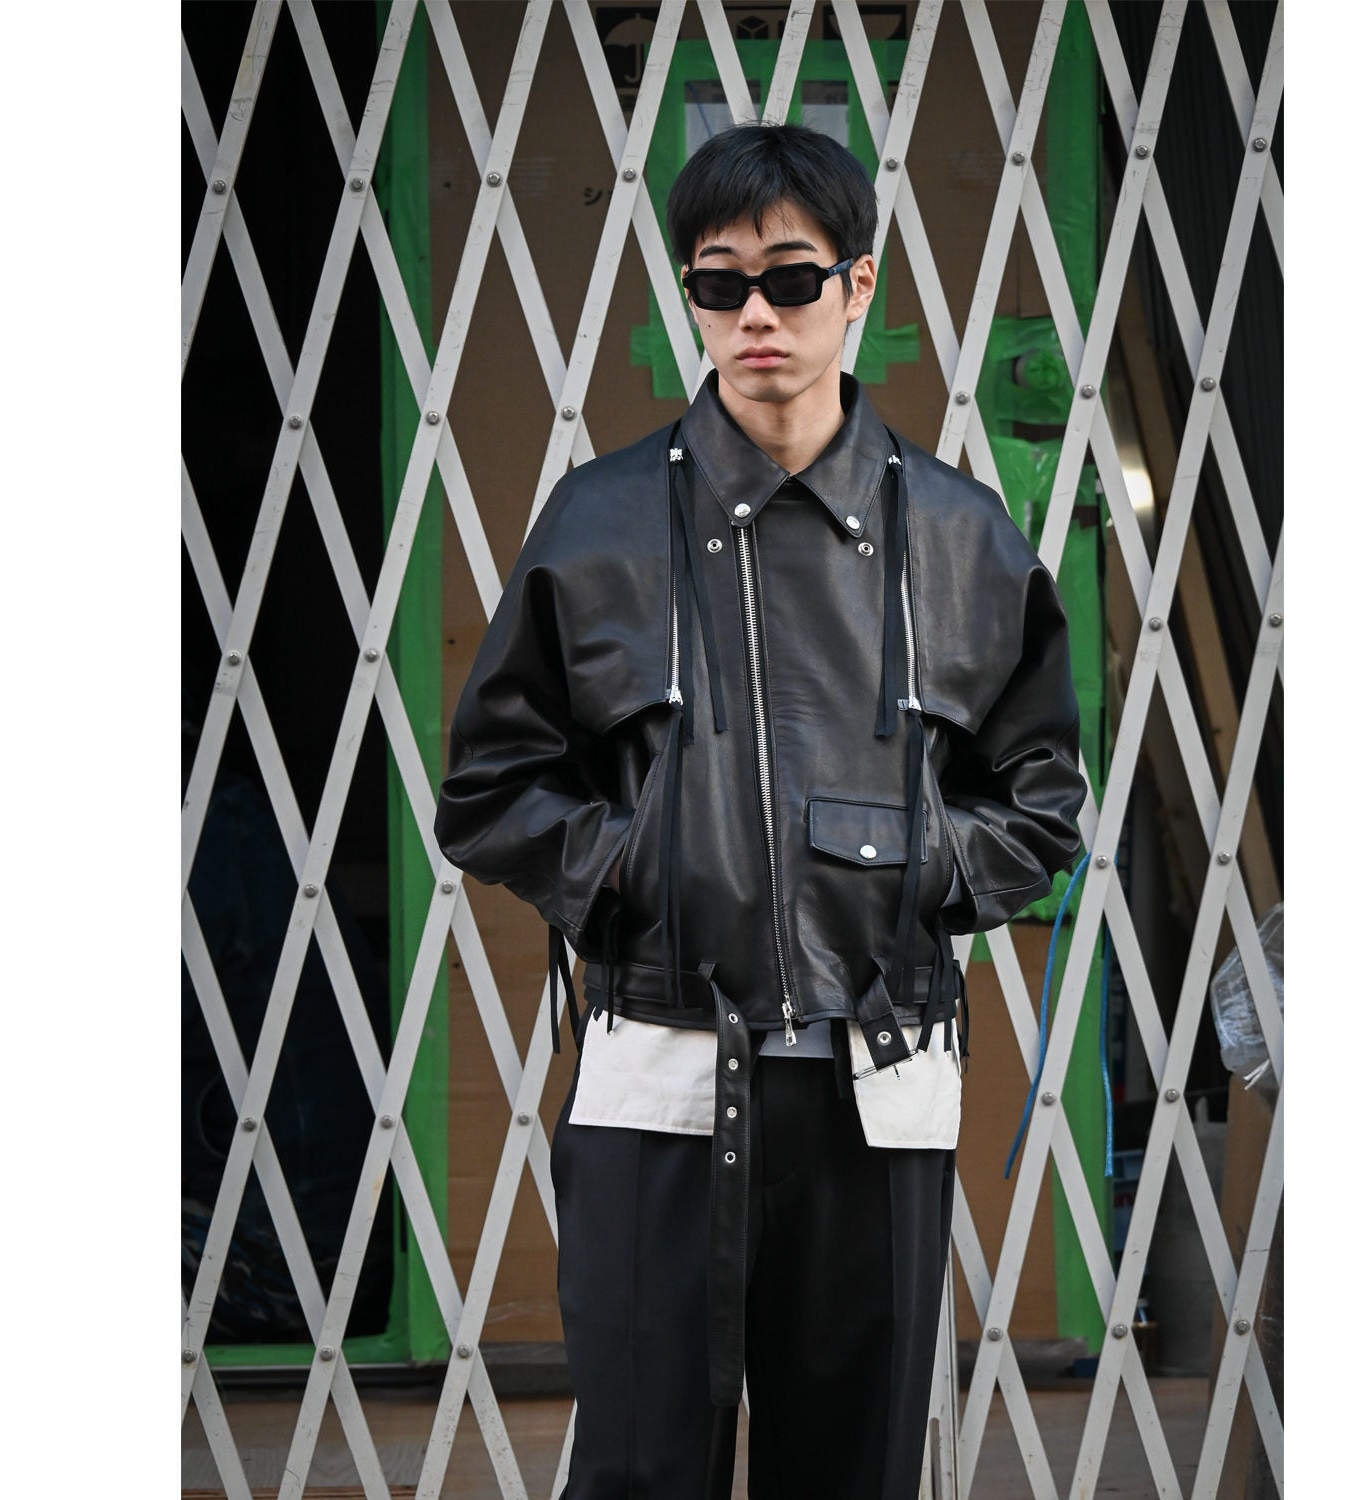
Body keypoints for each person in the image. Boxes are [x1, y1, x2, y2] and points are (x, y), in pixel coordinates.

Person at [435, 122, 1085, 1500]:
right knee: (640, 1468)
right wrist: (640, 858)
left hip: (880, 1075)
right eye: (719, 285)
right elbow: (489, 786)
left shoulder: (960, 537)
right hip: (657, 1069)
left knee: (853, 1470)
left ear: (859, 288)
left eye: (791, 280)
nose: (756, 317)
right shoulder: (601, 523)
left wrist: (914, 860)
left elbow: (1040, 798)